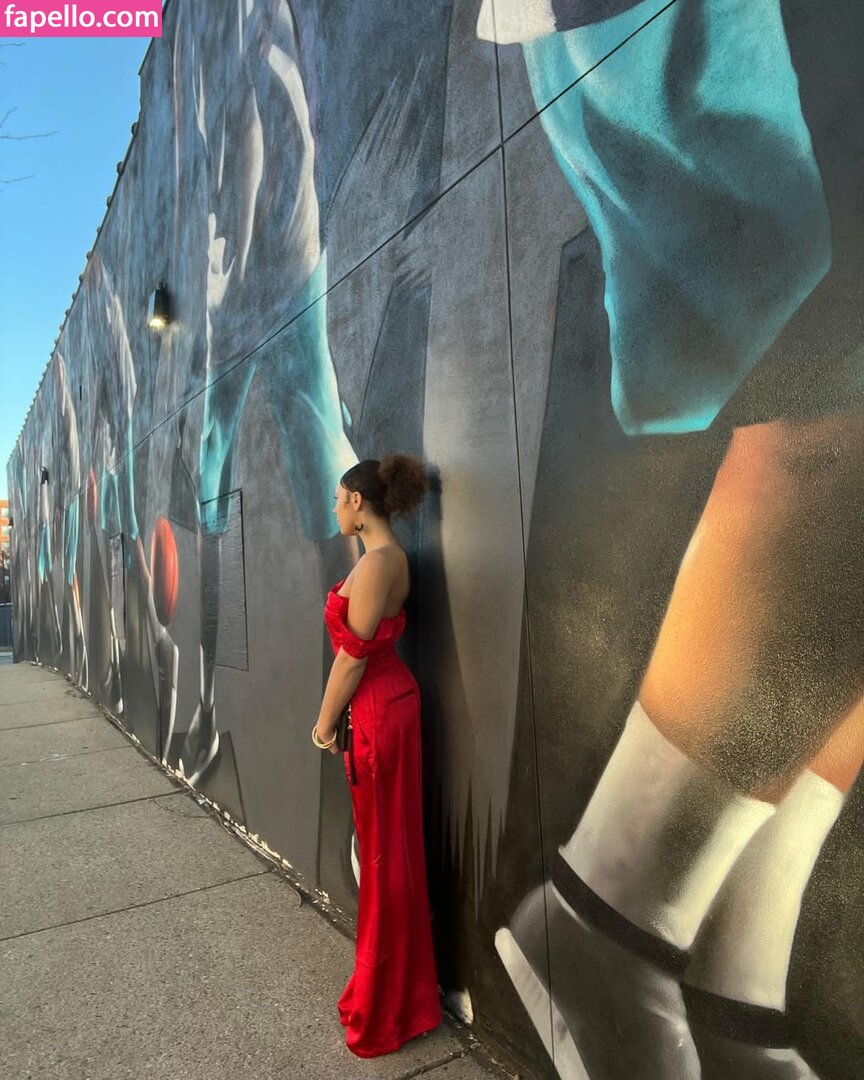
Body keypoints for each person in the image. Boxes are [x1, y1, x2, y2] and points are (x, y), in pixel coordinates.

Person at [312, 454, 441, 1057]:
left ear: (358, 503)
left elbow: (352, 659)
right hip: (390, 706)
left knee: (384, 857)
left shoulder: (377, 565)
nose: (335, 508)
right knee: (389, 854)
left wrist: (322, 726)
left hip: (377, 713)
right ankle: (402, 997)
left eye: (339, 498)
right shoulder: (389, 560)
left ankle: (388, 1008)